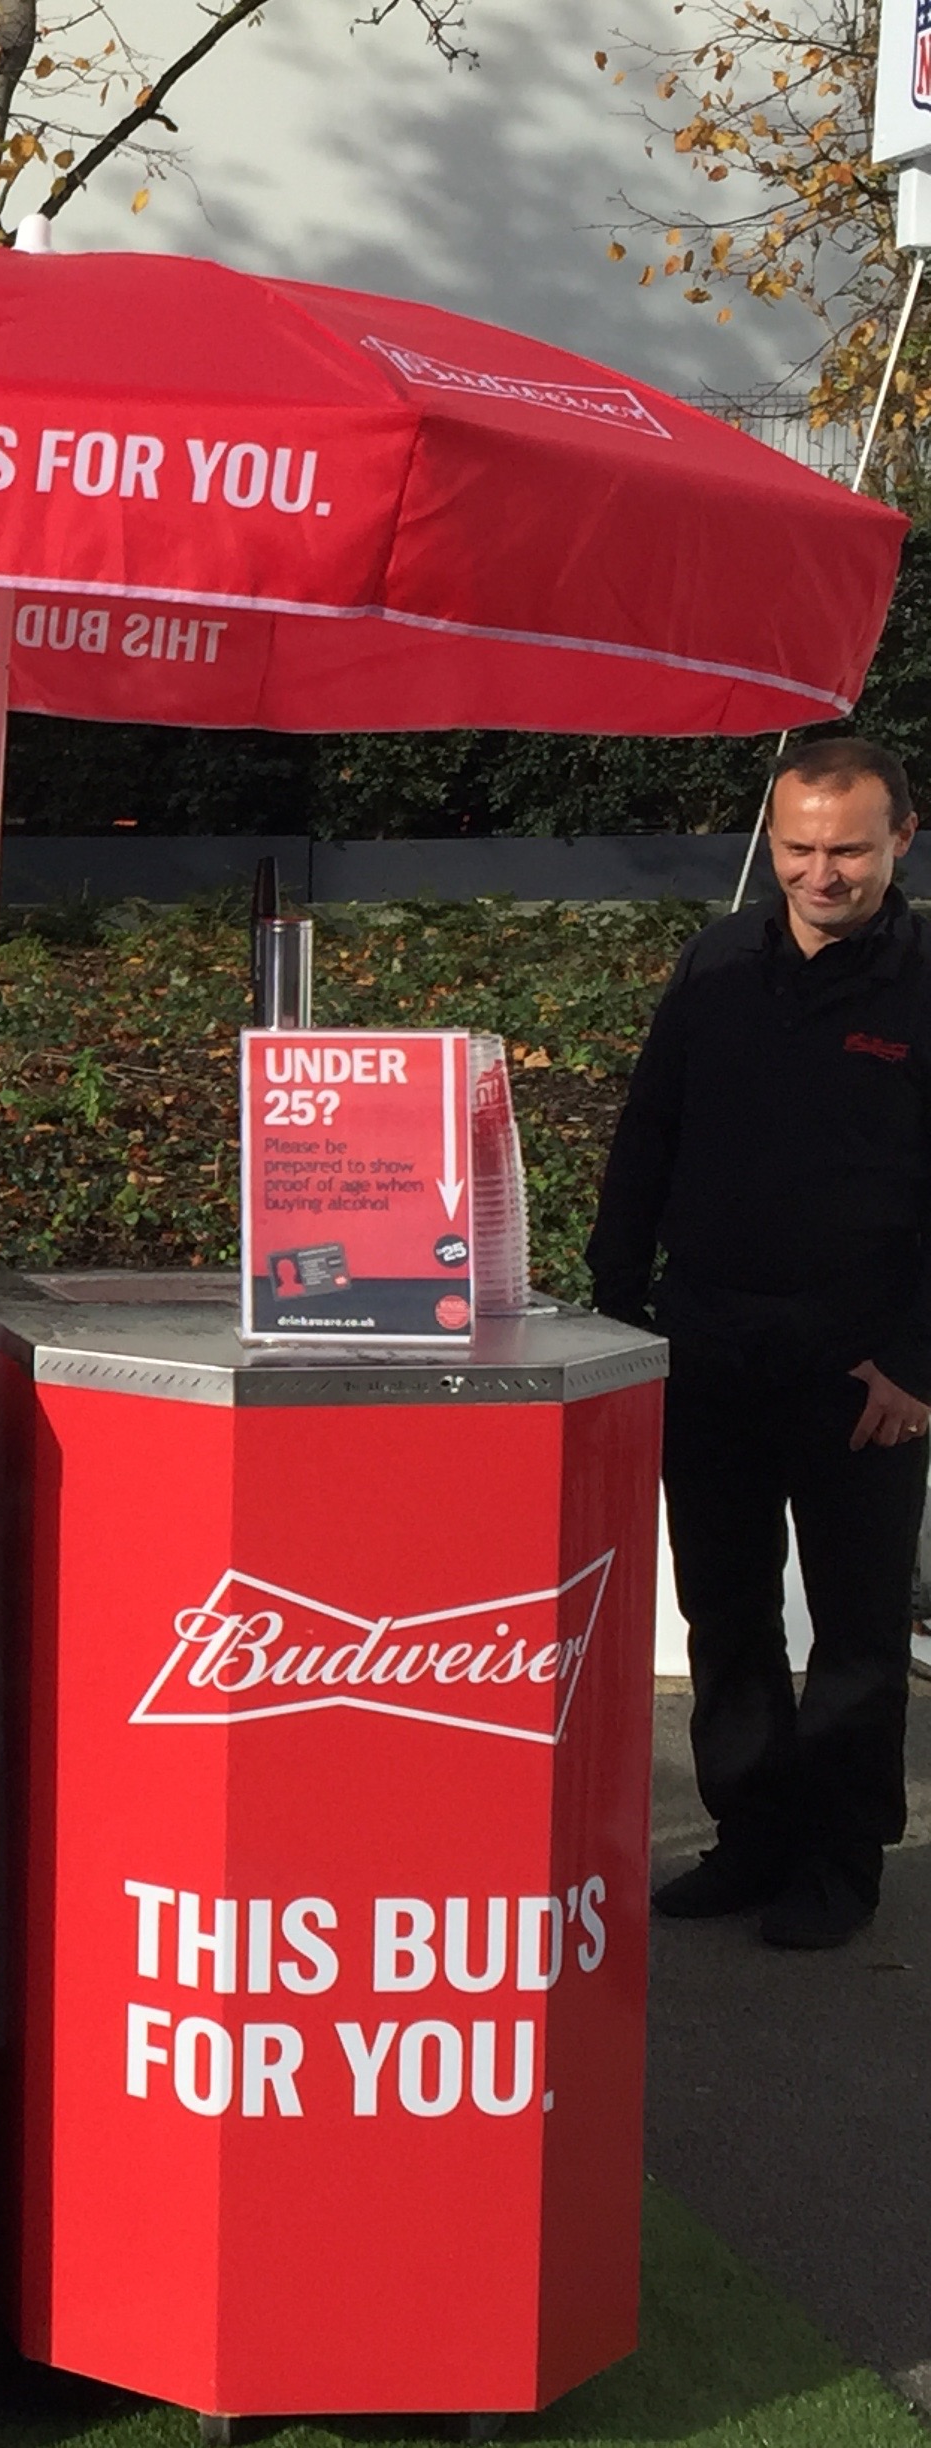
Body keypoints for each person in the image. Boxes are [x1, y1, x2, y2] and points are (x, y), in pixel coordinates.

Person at [589, 734, 931, 1949]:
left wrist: (918, 1362)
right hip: (710, 1344)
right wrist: (615, 1306)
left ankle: (840, 1866)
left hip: (865, 1370)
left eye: (846, 848)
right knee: (727, 1612)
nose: (819, 872)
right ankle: (750, 1838)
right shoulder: (717, 963)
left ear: (901, 834)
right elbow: (649, 1139)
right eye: (797, 848)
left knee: (854, 1633)